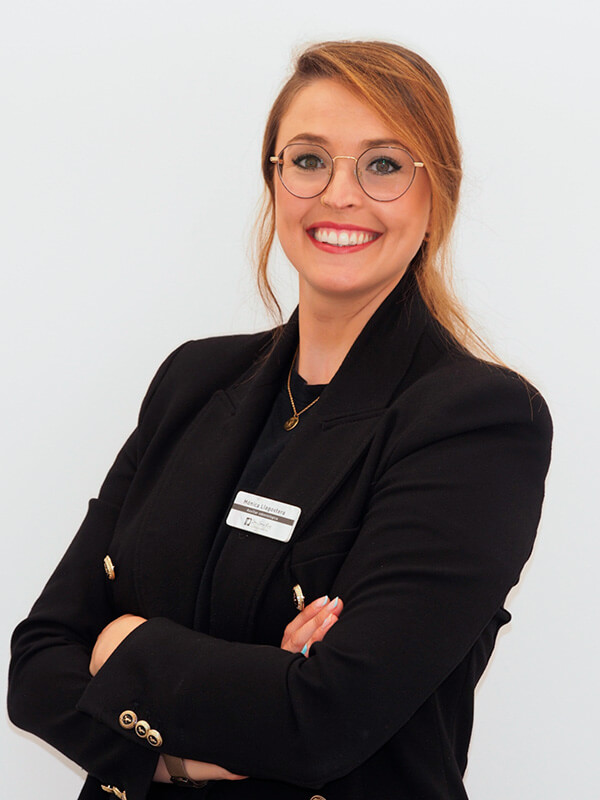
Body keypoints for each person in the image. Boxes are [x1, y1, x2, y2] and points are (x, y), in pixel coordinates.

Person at [8, 40, 552, 800]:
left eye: (384, 165)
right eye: (309, 160)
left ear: (439, 195)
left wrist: (125, 642)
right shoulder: (193, 381)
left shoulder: (478, 421)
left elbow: (325, 719)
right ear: (274, 179)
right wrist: (182, 756)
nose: (339, 195)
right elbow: (36, 663)